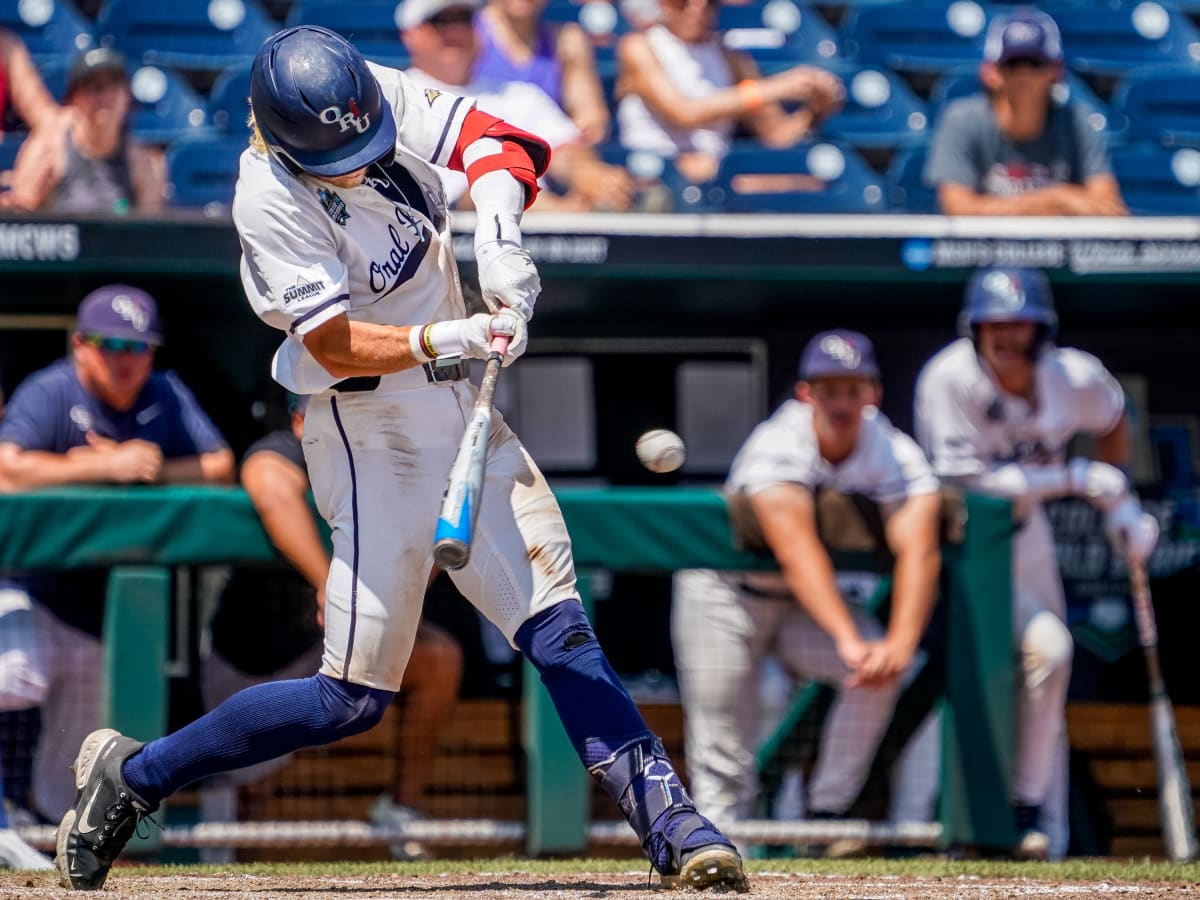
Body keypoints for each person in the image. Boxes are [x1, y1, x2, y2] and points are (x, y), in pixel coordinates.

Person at [54, 26, 745, 892]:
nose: (359, 159)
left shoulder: (365, 93)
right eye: (338, 152)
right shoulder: (266, 195)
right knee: (351, 698)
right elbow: (336, 344)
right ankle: (138, 774)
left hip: (463, 411)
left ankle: (676, 828)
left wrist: (500, 242)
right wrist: (448, 332)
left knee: (560, 628)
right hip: (367, 431)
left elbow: (502, 143)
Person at [915, 267, 1158, 858]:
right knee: (940, 692)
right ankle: (930, 829)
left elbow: (1113, 416)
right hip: (959, 548)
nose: (1005, 336)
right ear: (975, 328)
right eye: (993, 323)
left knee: (1051, 661)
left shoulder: (1072, 375)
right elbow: (969, 485)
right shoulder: (949, 378)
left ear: (1040, 329)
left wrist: (1119, 500)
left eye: (1018, 323)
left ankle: (1033, 821)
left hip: (1026, 544)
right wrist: (1076, 477)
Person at [673, 330, 941, 842]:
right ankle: (719, 858)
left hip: (796, 606)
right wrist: (847, 636)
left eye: (853, 388)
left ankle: (828, 814)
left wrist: (900, 644)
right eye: (829, 389)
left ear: (873, 394)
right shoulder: (779, 442)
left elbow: (920, 546)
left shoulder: (890, 447)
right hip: (724, 597)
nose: (841, 401)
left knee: (880, 672)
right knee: (725, 757)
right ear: (806, 394)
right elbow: (798, 550)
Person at [0, 284, 232, 868]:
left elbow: (220, 465)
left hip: (101, 614)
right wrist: (103, 464)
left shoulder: (164, 393)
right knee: (14, 674)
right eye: (110, 345)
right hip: (31, 587)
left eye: (138, 346)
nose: (125, 359)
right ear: (81, 345)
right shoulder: (53, 389)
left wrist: (148, 467)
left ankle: (41, 839)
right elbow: (8, 467)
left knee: (69, 775)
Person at [201, 394, 463, 862]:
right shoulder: (281, 449)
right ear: (301, 421)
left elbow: (436, 524)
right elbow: (270, 486)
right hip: (257, 659)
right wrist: (328, 585)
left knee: (438, 657)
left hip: (336, 646)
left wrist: (397, 592)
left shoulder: (379, 464)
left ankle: (401, 809)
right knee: (249, 810)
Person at [403, 0, 636, 212]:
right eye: (440, 22)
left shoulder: (520, 95)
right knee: (497, 183)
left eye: (464, 20)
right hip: (446, 232)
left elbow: (563, 149)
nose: (455, 31)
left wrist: (588, 175)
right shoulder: (396, 98)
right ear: (411, 34)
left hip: (534, 227)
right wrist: (557, 212)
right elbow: (455, 197)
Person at [925, 7, 1127, 217]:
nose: (1024, 74)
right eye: (1013, 64)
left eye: (1035, 63)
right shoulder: (962, 119)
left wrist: (1001, 208)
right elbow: (958, 209)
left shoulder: (1077, 122)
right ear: (992, 73)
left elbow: (1111, 211)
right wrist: (1057, 199)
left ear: (1055, 72)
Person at [615, 0, 844, 183]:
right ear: (664, 4)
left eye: (710, 2)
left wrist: (816, 110)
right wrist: (774, 88)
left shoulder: (731, 58)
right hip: (655, 173)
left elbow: (777, 134)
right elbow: (684, 113)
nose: (698, 8)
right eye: (683, 2)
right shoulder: (638, 46)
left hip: (717, 175)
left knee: (804, 183)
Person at [3, 48, 165, 214]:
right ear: (74, 98)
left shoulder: (145, 163)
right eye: (93, 87)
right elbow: (21, 217)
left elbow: (149, 232)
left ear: (127, 96)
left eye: (114, 86)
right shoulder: (50, 147)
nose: (105, 95)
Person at [474, 0, 611, 144]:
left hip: (546, 151)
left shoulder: (565, 41)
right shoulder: (463, 32)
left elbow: (589, 114)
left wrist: (586, 129)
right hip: (479, 148)